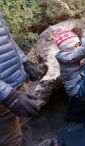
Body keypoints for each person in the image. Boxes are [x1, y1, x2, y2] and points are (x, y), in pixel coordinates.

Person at [0, 10, 49, 146]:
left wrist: (24, 61)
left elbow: (7, 38)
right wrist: (9, 96)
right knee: (10, 139)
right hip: (4, 96)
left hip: (15, 83)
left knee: (23, 125)